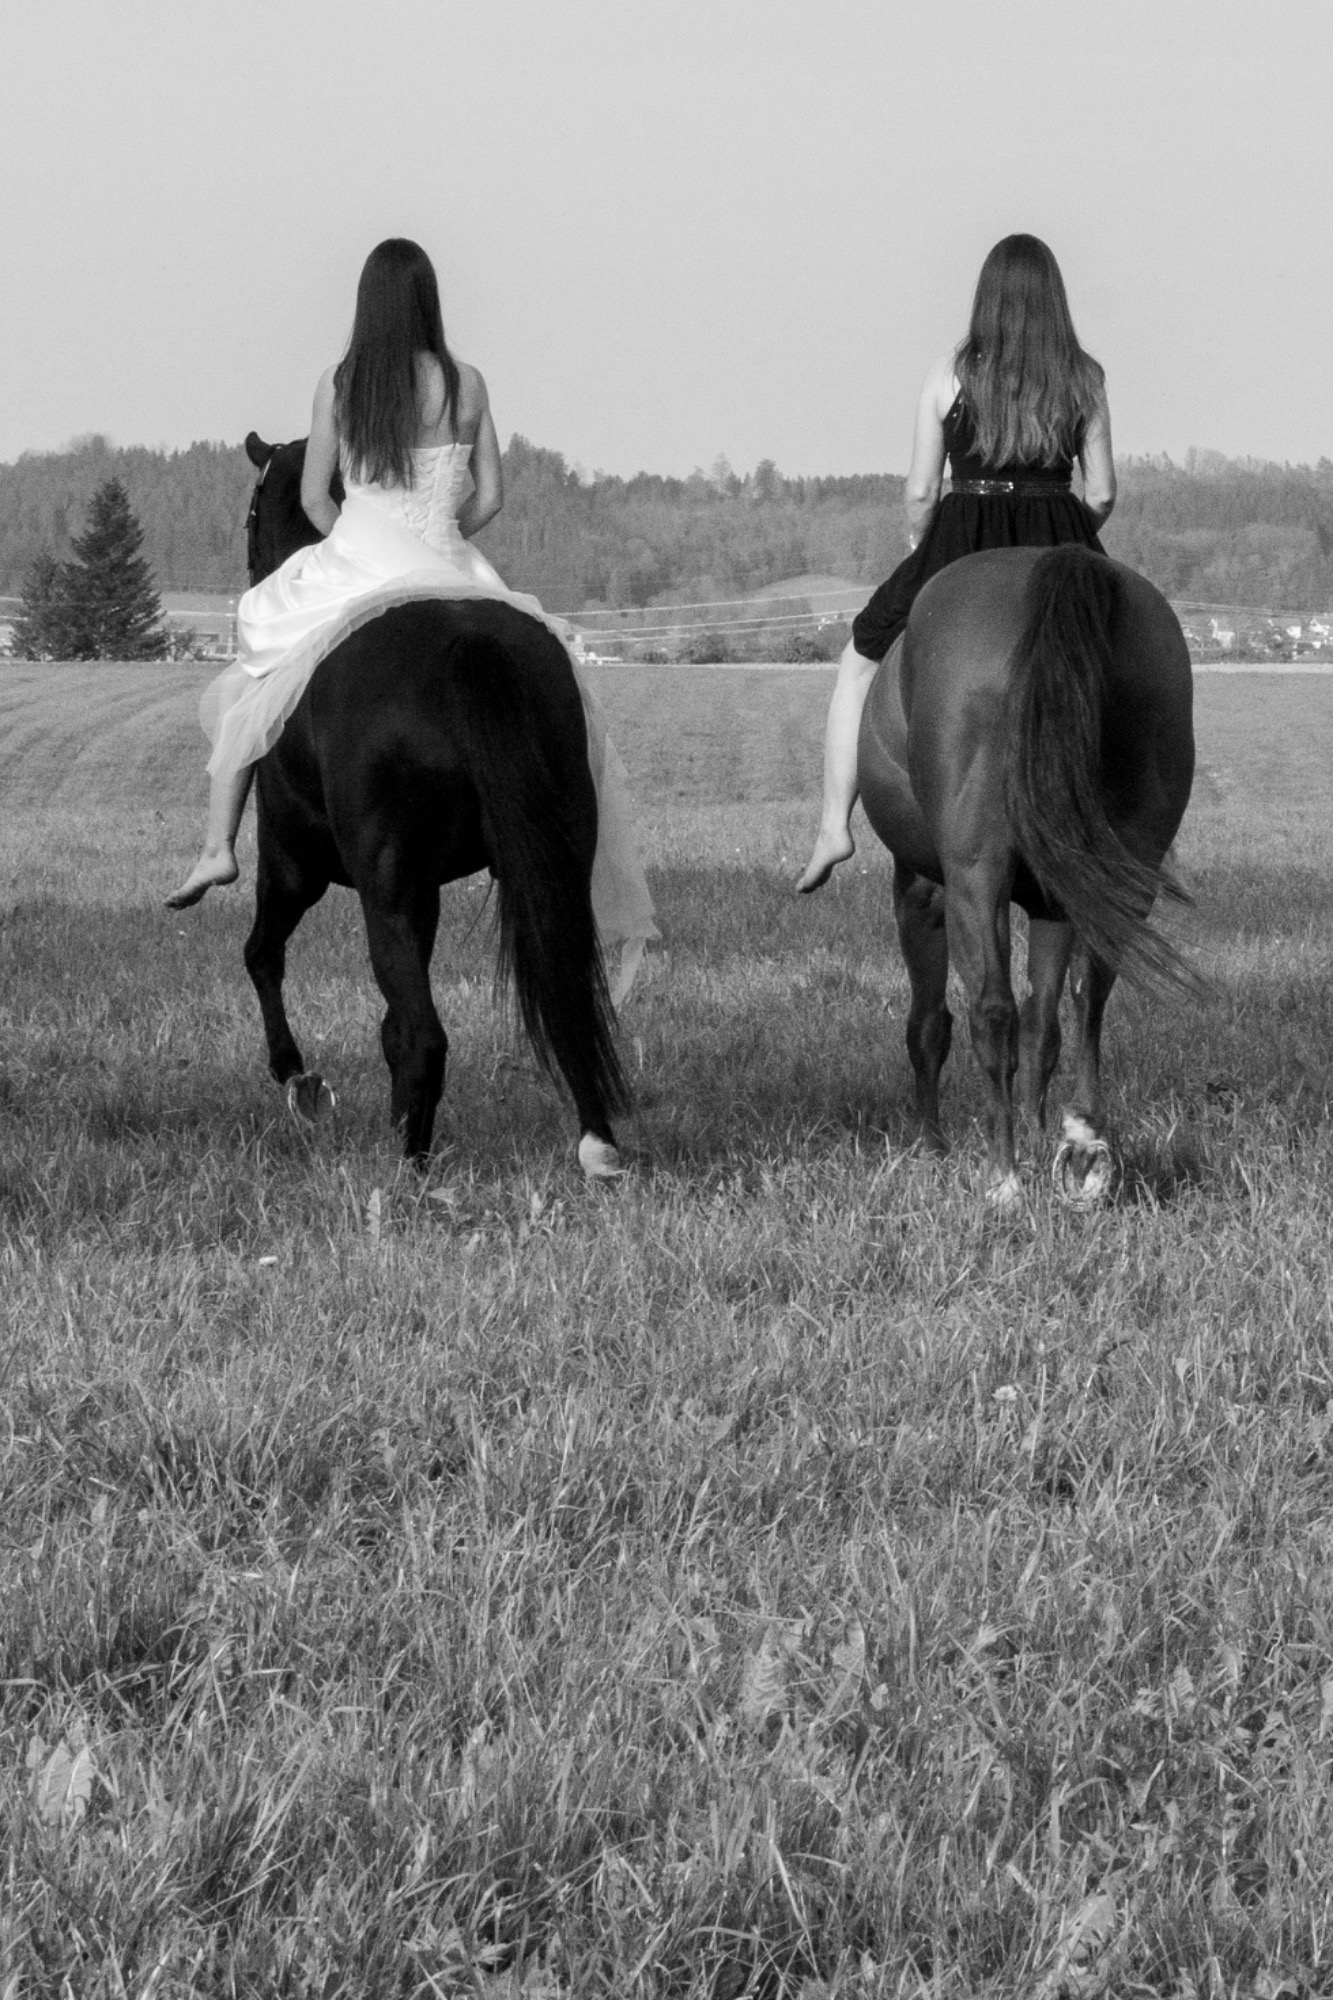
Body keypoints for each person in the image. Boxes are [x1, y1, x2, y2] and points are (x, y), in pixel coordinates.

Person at [168, 237, 657, 999]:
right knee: (560, 689)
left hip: (362, 555)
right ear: (429, 300)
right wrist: (438, 539)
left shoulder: (341, 383)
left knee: (252, 671)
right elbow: (490, 496)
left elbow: (312, 500)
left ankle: (217, 847)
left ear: (366, 303)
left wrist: (361, 545)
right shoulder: (467, 383)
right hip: (445, 558)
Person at [796, 233, 1116, 893]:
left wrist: (922, 544)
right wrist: (1071, 528)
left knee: (857, 663)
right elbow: (1103, 491)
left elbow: (919, 489)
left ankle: (833, 825)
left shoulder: (950, 373)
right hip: (1057, 537)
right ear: (1053, 298)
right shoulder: (1084, 376)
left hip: (964, 531)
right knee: (1125, 667)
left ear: (987, 297)